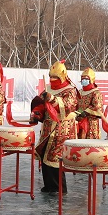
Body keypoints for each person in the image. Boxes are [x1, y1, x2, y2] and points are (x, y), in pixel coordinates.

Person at [34, 60, 80, 194]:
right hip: (48, 127)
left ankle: (59, 188)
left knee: (55, 158)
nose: (52, 79)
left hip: (62, 128)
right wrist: (37, 113)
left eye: (56, 77)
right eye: (51, 77)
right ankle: (49, 185)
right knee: (44, 155)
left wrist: (52, 99)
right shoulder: (48, 89)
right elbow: (40, 105)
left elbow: (67, 106)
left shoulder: (70, 90)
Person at [76, 67, 105, 139]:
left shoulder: (96, 93)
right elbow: (76, 105)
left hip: (91, 123)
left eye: (86, 79)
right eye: (82, 79)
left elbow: (97, 107)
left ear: (91, 79)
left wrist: (85, 112)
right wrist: (78, 113)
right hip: (80, 121)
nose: (84, 80)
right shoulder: (79, 92)